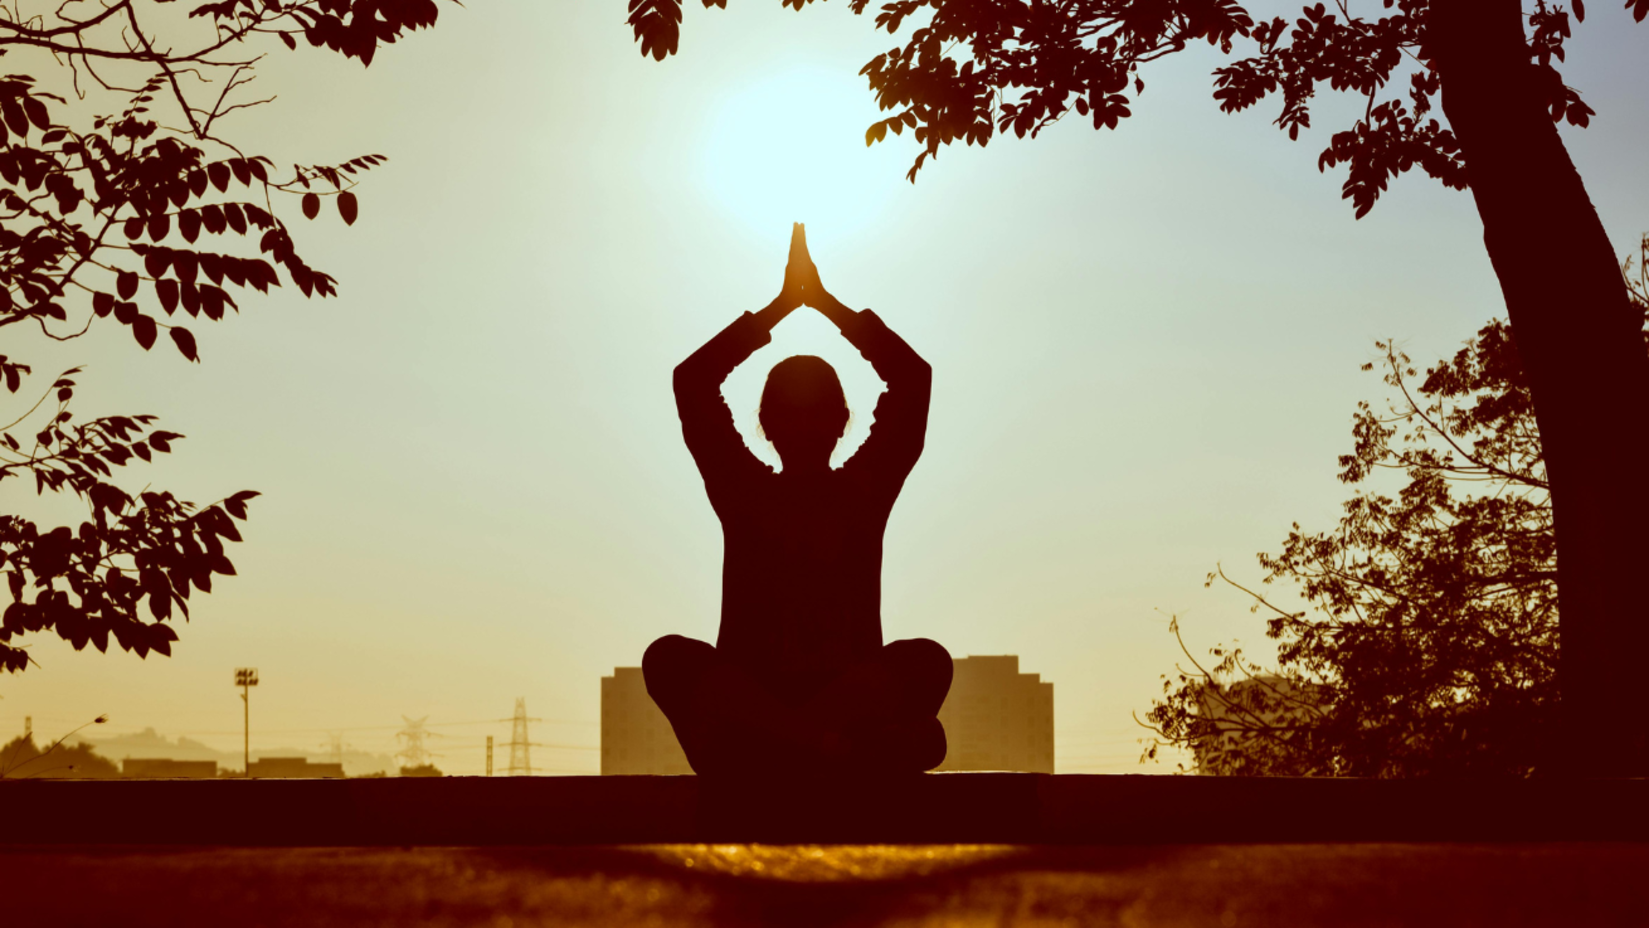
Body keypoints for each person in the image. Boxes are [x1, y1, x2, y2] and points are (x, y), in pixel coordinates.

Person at [644, 224, 952, 777]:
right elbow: (691, 383)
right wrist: (799, 306)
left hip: (794, 723)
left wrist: (805, 306)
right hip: (775, 714)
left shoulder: (854, 492)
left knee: (927, 660)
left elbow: (913, 379)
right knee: (667, 658)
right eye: (794, 411)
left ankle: (801, 744)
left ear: (838, 422)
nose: (806, 423)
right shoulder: (750, 492)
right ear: (767, 424)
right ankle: (820, 746)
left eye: (815, 411)